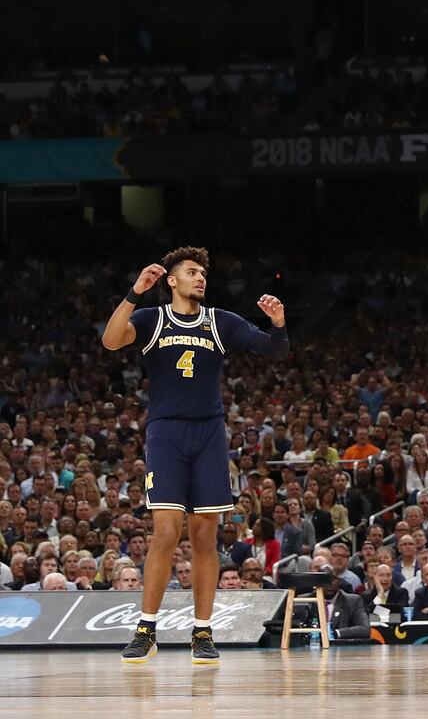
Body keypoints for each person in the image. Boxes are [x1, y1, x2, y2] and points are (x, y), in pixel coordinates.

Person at [100, 247, 289, 665]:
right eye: (191, 272)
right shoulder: (152, 319)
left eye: (203, 272)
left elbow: (274, 350)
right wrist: (134, 293)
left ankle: (202, 631)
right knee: (166, 531)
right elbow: (111, 340)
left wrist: (277, 324)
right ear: (171, 280)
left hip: (208, 433)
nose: (200, 277)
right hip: (166, 432)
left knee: (205, 536)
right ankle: (146, 628)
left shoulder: (220, 321)